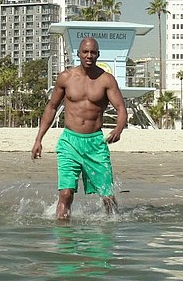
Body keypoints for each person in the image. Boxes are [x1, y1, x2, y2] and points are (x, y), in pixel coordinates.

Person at [31, 37, 127, 220]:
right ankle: (63, 234)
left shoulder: (106, 80)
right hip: (70, 142)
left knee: (107, 197)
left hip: (95, 143)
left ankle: (112, 227)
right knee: (66, 193)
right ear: (78, 54)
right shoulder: (66, 78)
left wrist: (119, 129)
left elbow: (121, 109)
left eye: (93, 52)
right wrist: (38, 140)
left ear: (98, 55)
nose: (89, 55)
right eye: (85, 52)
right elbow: (51, 107)